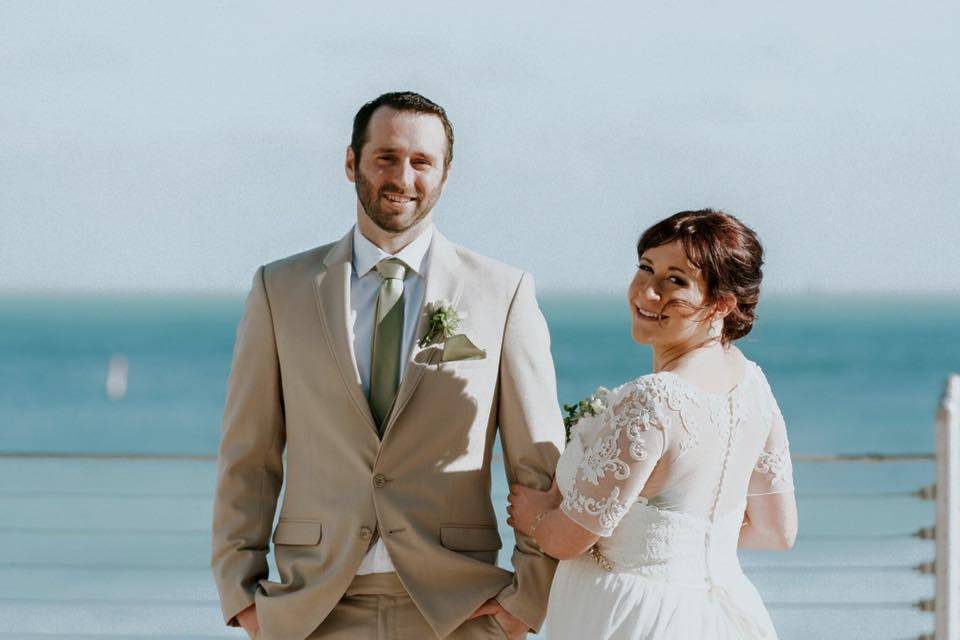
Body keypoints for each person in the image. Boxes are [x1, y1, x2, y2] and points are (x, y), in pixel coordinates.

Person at [211, 91, 565, 640]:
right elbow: (249, 454)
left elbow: (538, 462)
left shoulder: (504, 293)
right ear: (351, 162)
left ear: (446, 174)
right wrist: (242, 594)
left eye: (422, 161)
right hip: (313, 608)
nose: (404, 176)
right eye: (386, 158)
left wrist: (529, 598)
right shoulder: (279, 289)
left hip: (459, 607)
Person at [507, 210, 797, 639]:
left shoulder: (654, 399)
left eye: (675, 280)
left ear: (721, 304)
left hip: (635, 618)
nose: (648, 290)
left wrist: (533, 517)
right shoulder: (753, 385)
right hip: (720, 615)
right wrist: (681, 543)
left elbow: (568, 540)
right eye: (646, 268)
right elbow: (777, 530)